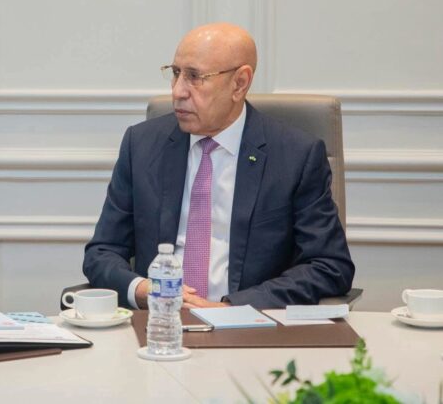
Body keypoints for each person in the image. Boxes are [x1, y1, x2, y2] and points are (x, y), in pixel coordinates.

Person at [83, 23, 354, 310]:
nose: (178, 91)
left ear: (239, 83)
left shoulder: (295, 156)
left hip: (248, 326)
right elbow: (102, 252)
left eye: (194, 77)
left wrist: (232, 309)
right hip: (161, 323)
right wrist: (143, 289)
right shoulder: (141, 145)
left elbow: (329, 265)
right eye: (175, 73)